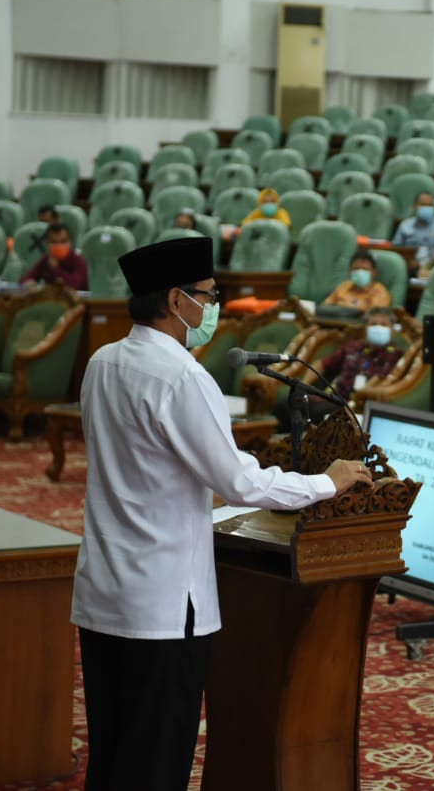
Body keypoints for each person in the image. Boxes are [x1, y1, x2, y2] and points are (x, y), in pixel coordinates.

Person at [72, 235, 371, 790]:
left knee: (113, 753)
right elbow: (237, 482)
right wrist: (326, 483)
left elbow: (143, 460)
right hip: (163, 603)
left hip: (105, 591)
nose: (214, 308)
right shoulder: (183, 377)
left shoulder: (103, 361)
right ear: (175, 300)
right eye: (209, 295)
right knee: (156, 764)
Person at [271, 307, 404, 429]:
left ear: (392, 329)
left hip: (354, 405)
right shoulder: (353, 347)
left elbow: (388, 382)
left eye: (384, 325)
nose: (378, 328)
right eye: (373, 324)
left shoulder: (397, 356)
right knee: (286, 404)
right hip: (331, 397)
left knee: (316, 413)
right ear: (365, 328)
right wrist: (305, 384)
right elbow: (322, 364)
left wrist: (364, 394)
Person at [20, 222, 89, 290]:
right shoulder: (46, 259)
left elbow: (75, 286)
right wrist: (27, 282)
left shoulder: (78, 260)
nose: (59, 245)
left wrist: (56, 268)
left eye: (63, 241)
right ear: (47, 243)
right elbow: (26, 278)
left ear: (70, 243)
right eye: (54, 242)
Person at [324, 250, 392, 311]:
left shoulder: (379, 292)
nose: (360, 272)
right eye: (356, 269)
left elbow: (376, 317)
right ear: (350, 271)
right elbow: (325, 307)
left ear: (374, 272)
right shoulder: (344, 286)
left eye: (365, 269)